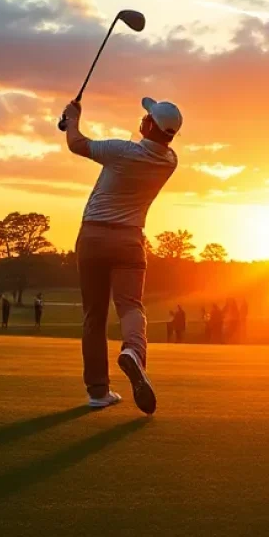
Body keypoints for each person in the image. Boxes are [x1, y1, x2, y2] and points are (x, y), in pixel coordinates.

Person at [63, 95, 181, 413]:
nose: (141, 119)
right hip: (129, 240)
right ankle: (133, 351)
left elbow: (77, 144)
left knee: (94, 316)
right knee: (130, 306)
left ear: (149, 125)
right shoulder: (169, 161)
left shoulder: (122, 151)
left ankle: (98, 391)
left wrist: (72, 118)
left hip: (92, 236)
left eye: (146, 117)